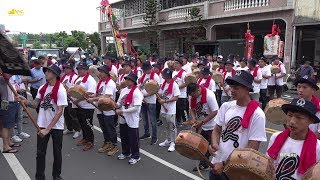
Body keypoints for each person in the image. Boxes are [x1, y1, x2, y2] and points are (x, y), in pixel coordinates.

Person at [209, 70, 267, 180]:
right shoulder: (226, 106)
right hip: (216, 164)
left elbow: (251, 150)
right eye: (231, 87)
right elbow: (217, 130)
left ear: (247, 88)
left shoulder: (257, 114)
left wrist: (224, 164)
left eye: (236, 88)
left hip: (236, 171)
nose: (232, 90)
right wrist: (214, 144)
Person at [19, 64, 68, 180]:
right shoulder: (43, 88)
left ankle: (56, 175)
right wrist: (24, 100)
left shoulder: (61, 90)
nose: (45, 73)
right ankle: (39, 177)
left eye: (49, 72)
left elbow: (59, 111)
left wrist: (48, 128)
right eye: (46, 71)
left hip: (56, 126)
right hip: (41, 124)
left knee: (57, 152)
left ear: (55, 75)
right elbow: (35, 104)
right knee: (40, 153)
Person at [267, 98, 320, 179]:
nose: (292, 121)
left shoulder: (317, 147)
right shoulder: (276, 137)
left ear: (311, 120)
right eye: (290, 115)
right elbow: (267, 165)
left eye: (298, 117)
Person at [87, 65, 119, 155]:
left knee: (110, 128)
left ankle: (114, 145)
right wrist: (90, 96)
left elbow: (106, 97)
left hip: (109, 109)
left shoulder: (110, 84)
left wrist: (93, 99)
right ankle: (107, 142)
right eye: (100, 71)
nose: (100, 73)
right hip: (100, 108)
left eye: (102, 72)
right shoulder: (101, 82)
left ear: (106, 73)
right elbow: (98, 93)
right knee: (104, 127)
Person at [187, 83, 219, 171]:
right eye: (191, 95)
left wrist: (202, 122)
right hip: (200, 125)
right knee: (202, 146)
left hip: (212, 125)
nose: (192, 97)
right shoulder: (192, 96)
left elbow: (215, 111)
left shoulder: (209, 95)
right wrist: (193, 118)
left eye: (193, 95)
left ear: (198, 90)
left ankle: (218, 164)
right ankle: (204, 164)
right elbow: (192, 109)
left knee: (213, 147)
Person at [116, 73, 143, 165]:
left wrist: (122, 111)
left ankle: (136, 156)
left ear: (134, 81)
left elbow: (136, 108)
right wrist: (114, 105)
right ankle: (126, 152)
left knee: (133, 138)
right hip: (123, 117)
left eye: (129, 80)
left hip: (132, 118)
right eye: (126, 79)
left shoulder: (137, 92)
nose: (127, 81)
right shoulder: (123, 90)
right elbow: (119, 102)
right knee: (124, 136)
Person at [73, 63, 97, 151]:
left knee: (88, 124)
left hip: (87, 106)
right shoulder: (78, 78)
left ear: (86, 70)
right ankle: (85, 138)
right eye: (78, 68)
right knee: (82, 123)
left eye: (82, 69)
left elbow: (90, 93)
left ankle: (90, 141)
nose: (79, 70)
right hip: (79, 105)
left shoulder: (90, 80)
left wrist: (78, 100)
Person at [158, 68, 180, 152]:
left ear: (167, 75)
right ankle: (168, 140)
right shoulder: (164, 84)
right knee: (166, 126)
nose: (162, 75)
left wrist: (165, 101)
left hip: (170, 110)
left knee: (172, 127)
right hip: (163, 109)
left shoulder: (174, 85)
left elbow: (176, 97)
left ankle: (173, 143)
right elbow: (160, 93)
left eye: (163, 74)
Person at [138, 61, 160, 145]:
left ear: (150, 68)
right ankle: (147, 133)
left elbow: (155, 90)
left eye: (145, 69)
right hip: (143, 100)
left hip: (151, 100)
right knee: (144, 118)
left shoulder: (155, 76)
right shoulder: (143, 75)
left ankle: (154, 137)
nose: (144, 71)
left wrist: (145, 95)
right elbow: (140, 85)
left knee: (152, 120)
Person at [60, 63, 81, 139]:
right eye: (64, 68)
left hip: (71, 99)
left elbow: (75, 89)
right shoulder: (64, 76)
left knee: (73, 115)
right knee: (66, 114)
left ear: (71, 69)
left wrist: (66, 89)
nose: (65, 69)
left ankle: (77, 130)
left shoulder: (75, 77)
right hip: (64, 98)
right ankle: (69, 128)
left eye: (67, 68)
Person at [0, 74, 20, 153]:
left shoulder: (12, 77)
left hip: (13, 102)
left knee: (11, 124)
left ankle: (9, 141)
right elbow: (6, 77)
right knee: (6, 125)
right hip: (7, 103)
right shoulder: (2, 78)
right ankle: (5, 146)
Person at [10, 75, 30, 143]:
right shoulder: (8, 75)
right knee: (12, 117)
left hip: (19, 97)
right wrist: (17, 90)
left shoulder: (17, 75)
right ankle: (13, 135)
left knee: (19, 116)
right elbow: (9, 85)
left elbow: (21, 80)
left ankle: (20, 132)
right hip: (11, 99)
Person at [173, 58, 188, 126]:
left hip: (182, 94)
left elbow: (186, 83)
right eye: (174, 63)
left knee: (182, 109)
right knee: (177, 109)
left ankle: (186, 122)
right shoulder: (174, 72)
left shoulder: (184, 73)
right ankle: (178, 122)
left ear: (181, 65)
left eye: (177, 63)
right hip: (175, 95)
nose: (175, 65)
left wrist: (177, 88)